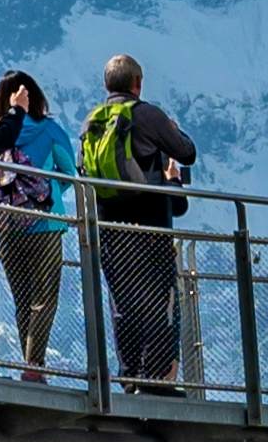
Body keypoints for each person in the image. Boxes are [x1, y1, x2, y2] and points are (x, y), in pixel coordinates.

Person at [80, 54, 205, 392]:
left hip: (109, 229)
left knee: (123, 303)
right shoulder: (147, 115)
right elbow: (187, 152)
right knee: (159, 301)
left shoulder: (92, 122)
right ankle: (156, 379)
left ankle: (130, 376)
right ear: (138, 84)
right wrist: (174, 134)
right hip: (149, 227)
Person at [0, 71, 70, 370]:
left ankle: (29, 362)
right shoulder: (50, 130)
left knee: (21, 297)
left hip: (6, 224)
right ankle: (34, 366)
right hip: (45, 222)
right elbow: (68, 172)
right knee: (43, 298)